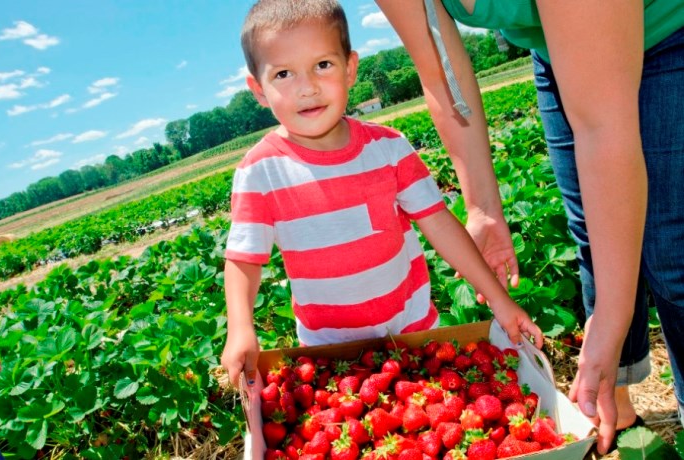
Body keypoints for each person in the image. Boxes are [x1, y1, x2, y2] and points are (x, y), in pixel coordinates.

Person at [375, 0, 684, 454]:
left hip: (665, 34)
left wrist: (612, 318)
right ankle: (618, 416)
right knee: (595, 238)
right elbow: (441, 70)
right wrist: (481, 208)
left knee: (673, 253)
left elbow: (603, 126)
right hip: (558, 49)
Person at [221, 0, 542, 391]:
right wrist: (240, 327)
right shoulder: (261, 172)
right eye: (284, 73)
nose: (307, 87)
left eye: (323, 65)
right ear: (258, 90)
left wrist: (498, 300)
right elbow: (244, 259)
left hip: (415, 332)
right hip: (331, 352)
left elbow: (438, 223)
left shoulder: (388, 148)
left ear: (351, 68)